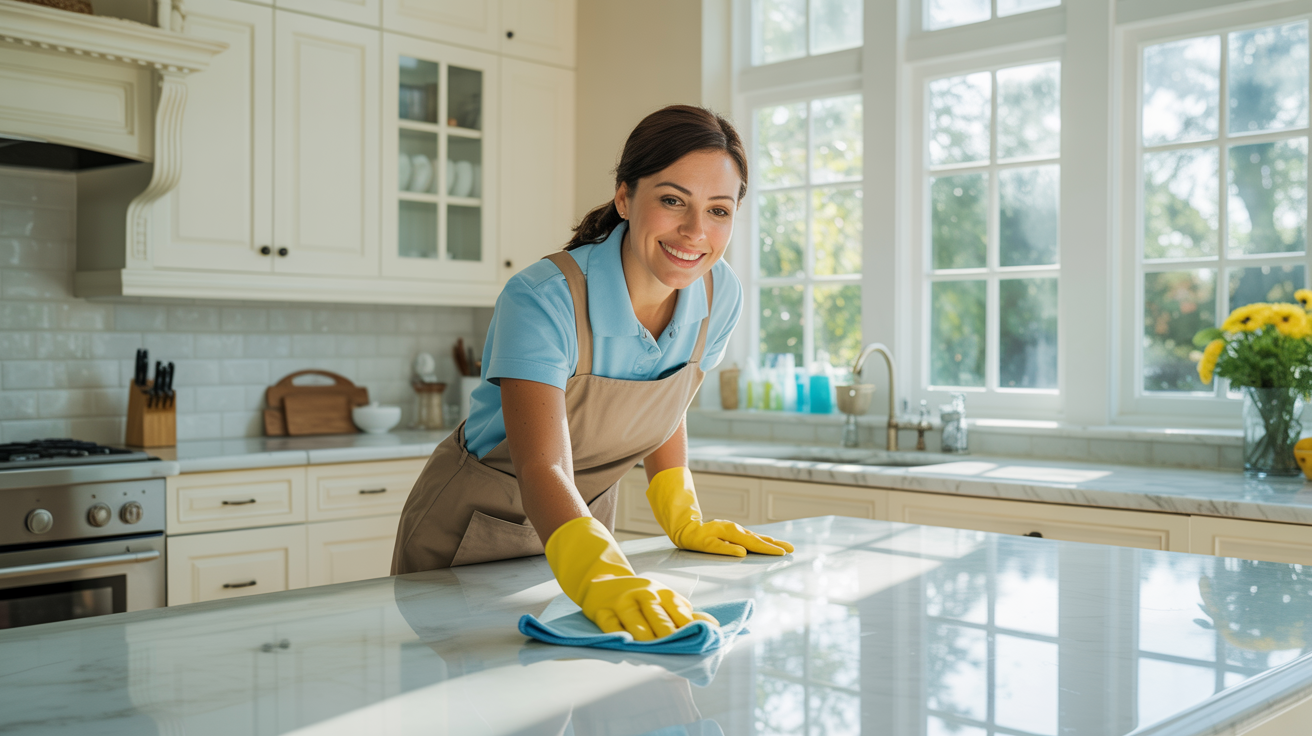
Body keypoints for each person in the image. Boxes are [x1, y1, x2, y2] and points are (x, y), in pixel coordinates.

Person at [392, 104, 793, 641]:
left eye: (719, 210)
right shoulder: (545, 298)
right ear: (625, 197)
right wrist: (599, 572)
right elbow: (541, 466)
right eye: (673, 200)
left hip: (582, 530)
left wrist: (681, 513)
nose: (696, 231)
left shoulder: (721, 293)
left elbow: (662, 398)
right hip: (470, 535)